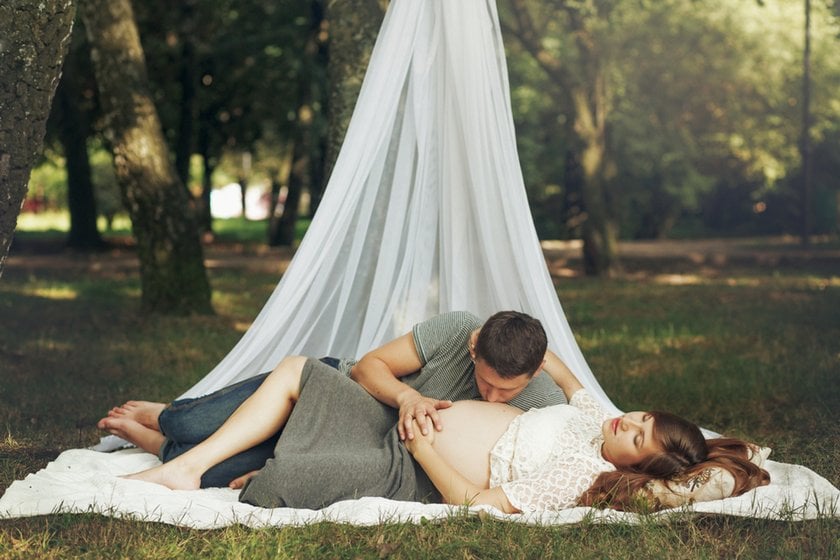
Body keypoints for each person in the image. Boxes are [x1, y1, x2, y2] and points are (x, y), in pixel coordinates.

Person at [99, 353, 769, 512]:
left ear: (636, 466)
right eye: (643, 415)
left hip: (405, 466)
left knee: (270, 481)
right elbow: (561, 370)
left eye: (638, 437)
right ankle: (182, 466)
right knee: (303, 370)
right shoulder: (598, 424)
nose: (630, 422)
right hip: (395, 421)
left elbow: (479, 507)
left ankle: (168, 449)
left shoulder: (580, 475)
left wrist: (422, 447)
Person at [99, 311, 566, 488]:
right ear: (473, 347)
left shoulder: (544, 404)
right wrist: (407, 398)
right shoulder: (455, 330)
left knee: (216, 472)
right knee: (190, 428)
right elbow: (367, 367)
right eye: (486, 382)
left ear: (538, 367)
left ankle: (148, 439)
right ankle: (168, 414)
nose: (492, 396)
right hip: (328, 392)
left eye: (508, 391)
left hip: (356, 440)